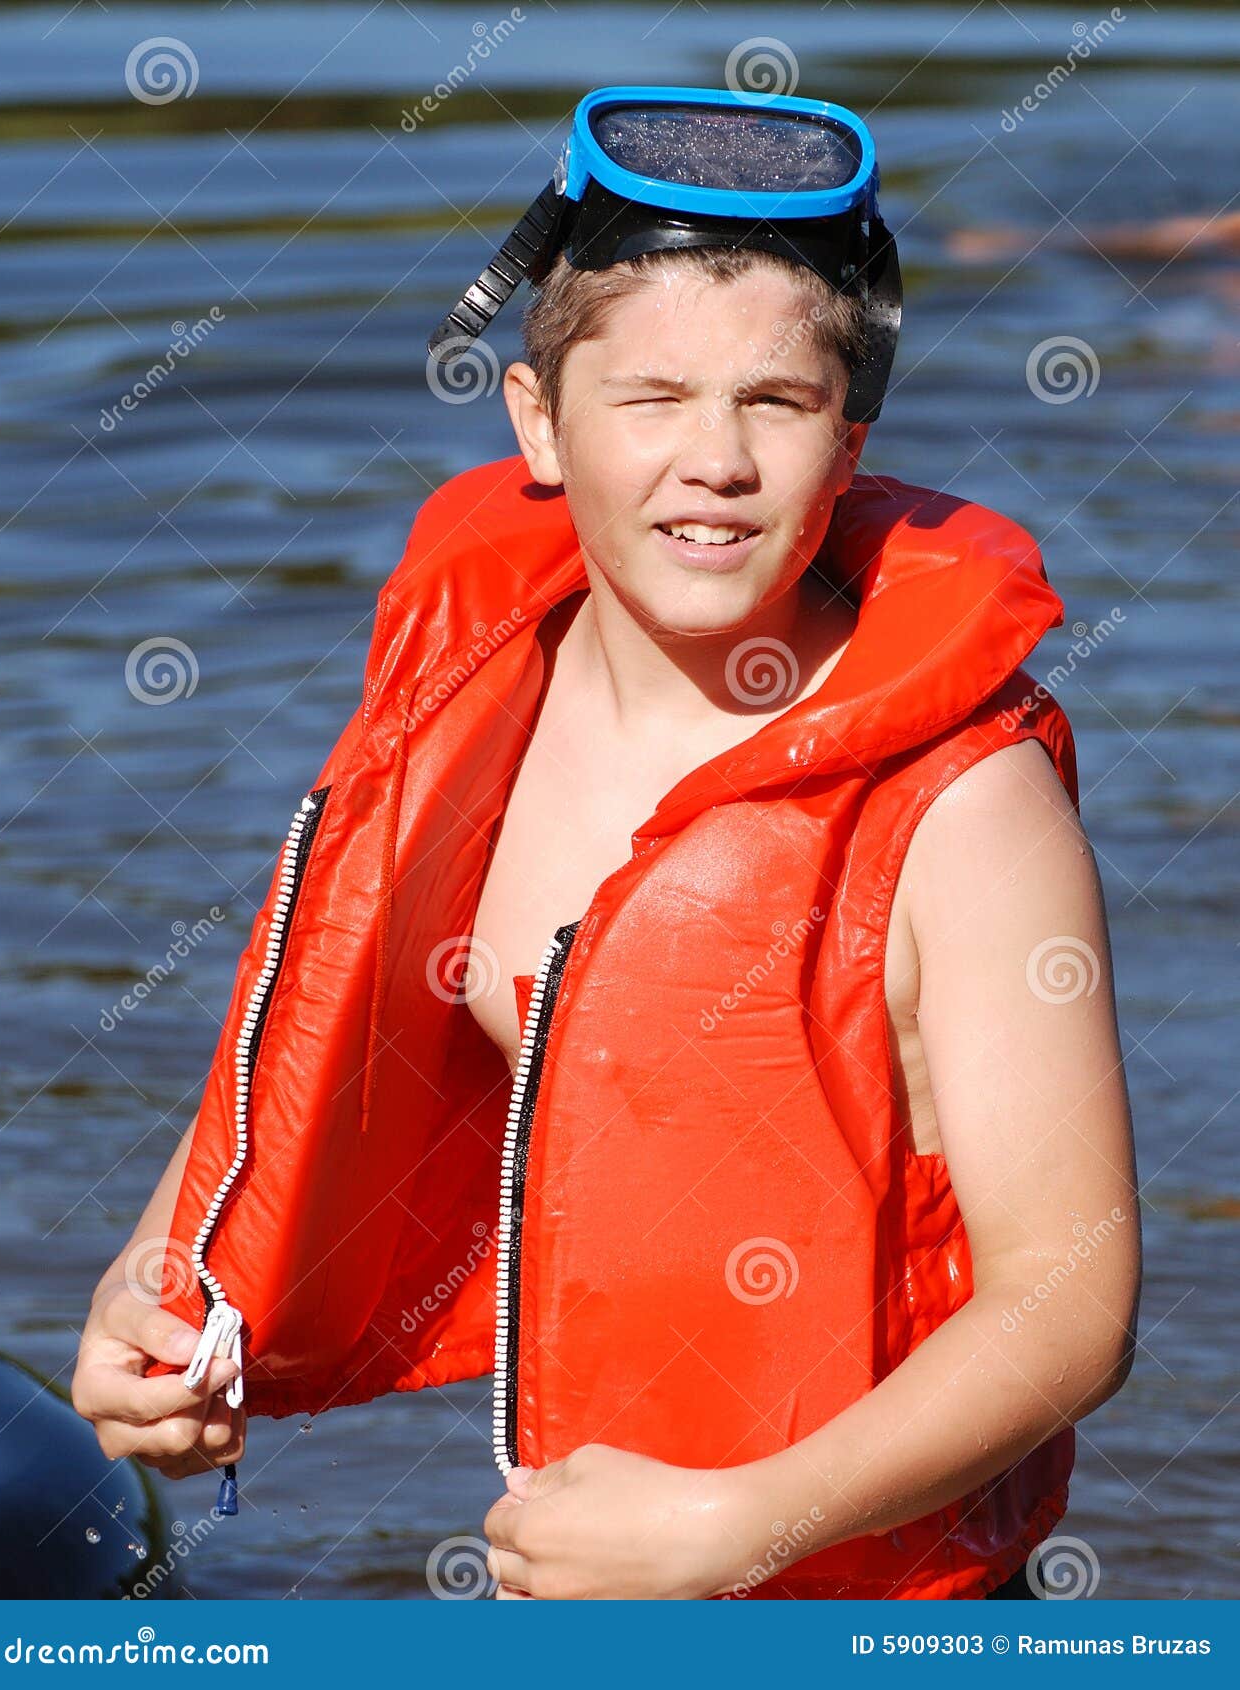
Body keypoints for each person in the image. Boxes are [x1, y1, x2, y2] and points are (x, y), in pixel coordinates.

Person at [74, 87, 1141, 1601]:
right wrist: (158, 1280)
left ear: (849, 436)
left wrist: (739, 1524)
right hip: (574, 1574)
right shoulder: (471, 690)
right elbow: (319, 1008)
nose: (715, 460)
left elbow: (1073, 1305)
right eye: (651, 398)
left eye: (775, 402)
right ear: (538, 421)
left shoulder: (965, 806)